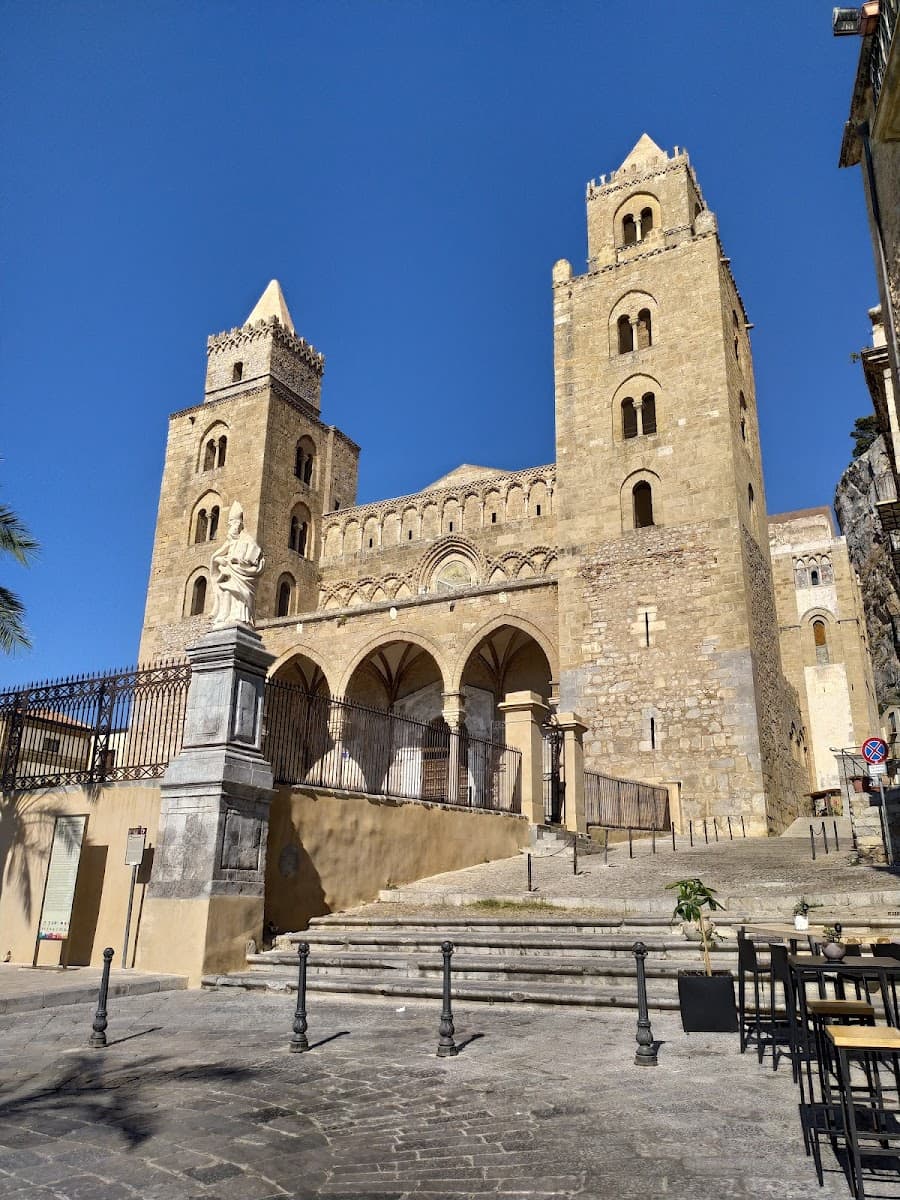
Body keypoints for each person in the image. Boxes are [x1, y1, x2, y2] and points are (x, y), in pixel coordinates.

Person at [210, 501, 265, 627]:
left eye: (233, 524)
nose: (231, 528)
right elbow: (216, 557)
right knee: (225, 589)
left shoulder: (248, 540)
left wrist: (237, 561)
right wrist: (221, 561)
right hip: (229, 573)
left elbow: (254, 559)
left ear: (239, 525)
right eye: (229, 525)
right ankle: (225, 615)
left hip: (242, 575)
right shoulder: (230, 542)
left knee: (240, 595)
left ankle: (239, 617)